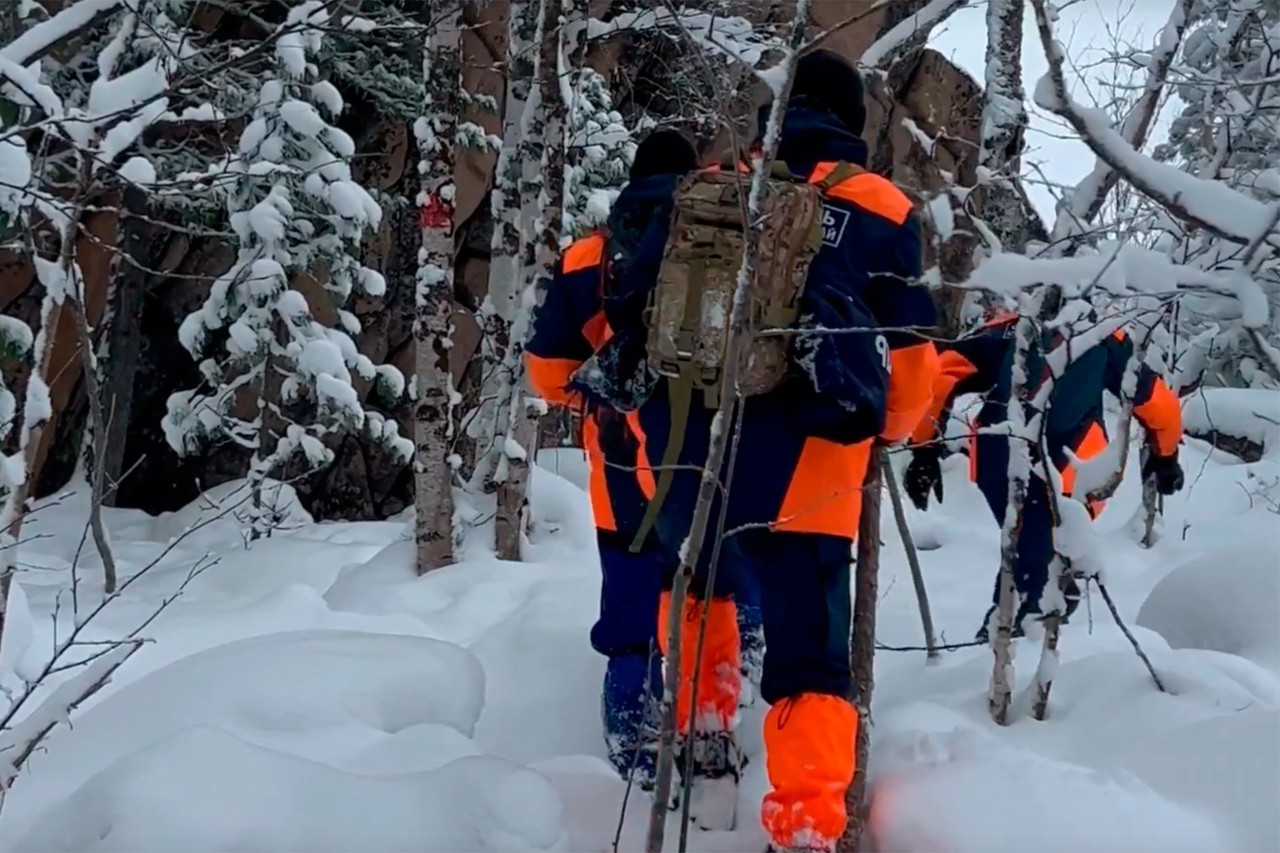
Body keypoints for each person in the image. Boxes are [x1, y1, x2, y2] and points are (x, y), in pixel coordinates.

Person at [596, 50, 940, 852]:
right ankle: (807, 822)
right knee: (809, 651)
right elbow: (915, 362)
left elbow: (635, 317)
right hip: (811, 462)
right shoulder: (882, 205)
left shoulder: (716, 190)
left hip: (694, 442)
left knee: (699, 579)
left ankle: (702, 728)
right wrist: (885, 430)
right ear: (852, 123)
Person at [524, 129, 762, 789]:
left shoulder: (585, 258)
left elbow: (546, 375)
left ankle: (636, 754)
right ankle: (714, 728)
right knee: (715, 587)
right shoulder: (739, 242)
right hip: (718, 456)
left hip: (625, 462)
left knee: (633, 610)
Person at [904, 308, 1186, 639]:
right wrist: (1166, 455)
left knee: (1026, 544)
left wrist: (923, 449)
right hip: (1070, 465)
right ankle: (1016, 633)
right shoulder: (1103, 337)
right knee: (1034, 552)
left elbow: (939, 371)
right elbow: (1158, 401)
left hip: (1000, 460)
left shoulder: (1007, 330)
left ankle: (1021, 623)